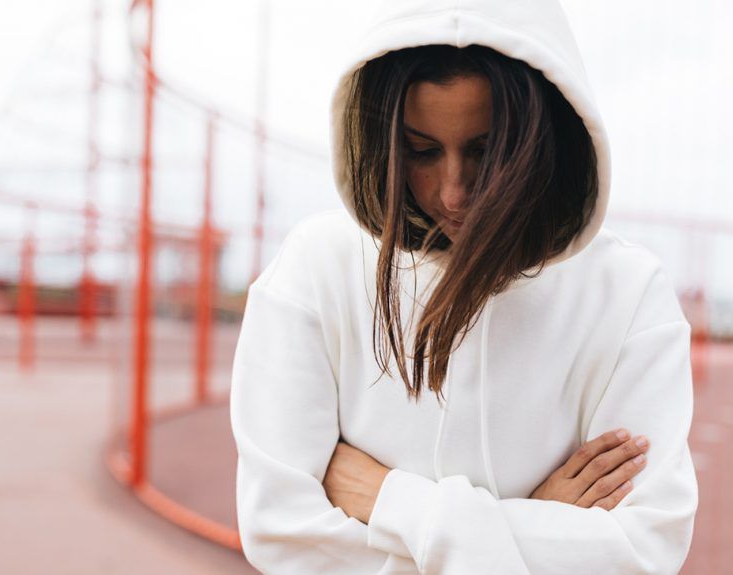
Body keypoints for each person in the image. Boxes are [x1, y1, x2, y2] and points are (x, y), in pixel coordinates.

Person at [229, 0, 699, 573]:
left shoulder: (627, 295)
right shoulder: (314, 269)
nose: (453, 193)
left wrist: (388, 501)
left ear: (544, 138)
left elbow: (642, 552)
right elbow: (281, 535)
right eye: (421, 151)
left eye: (486, 150)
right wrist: (531, 525)